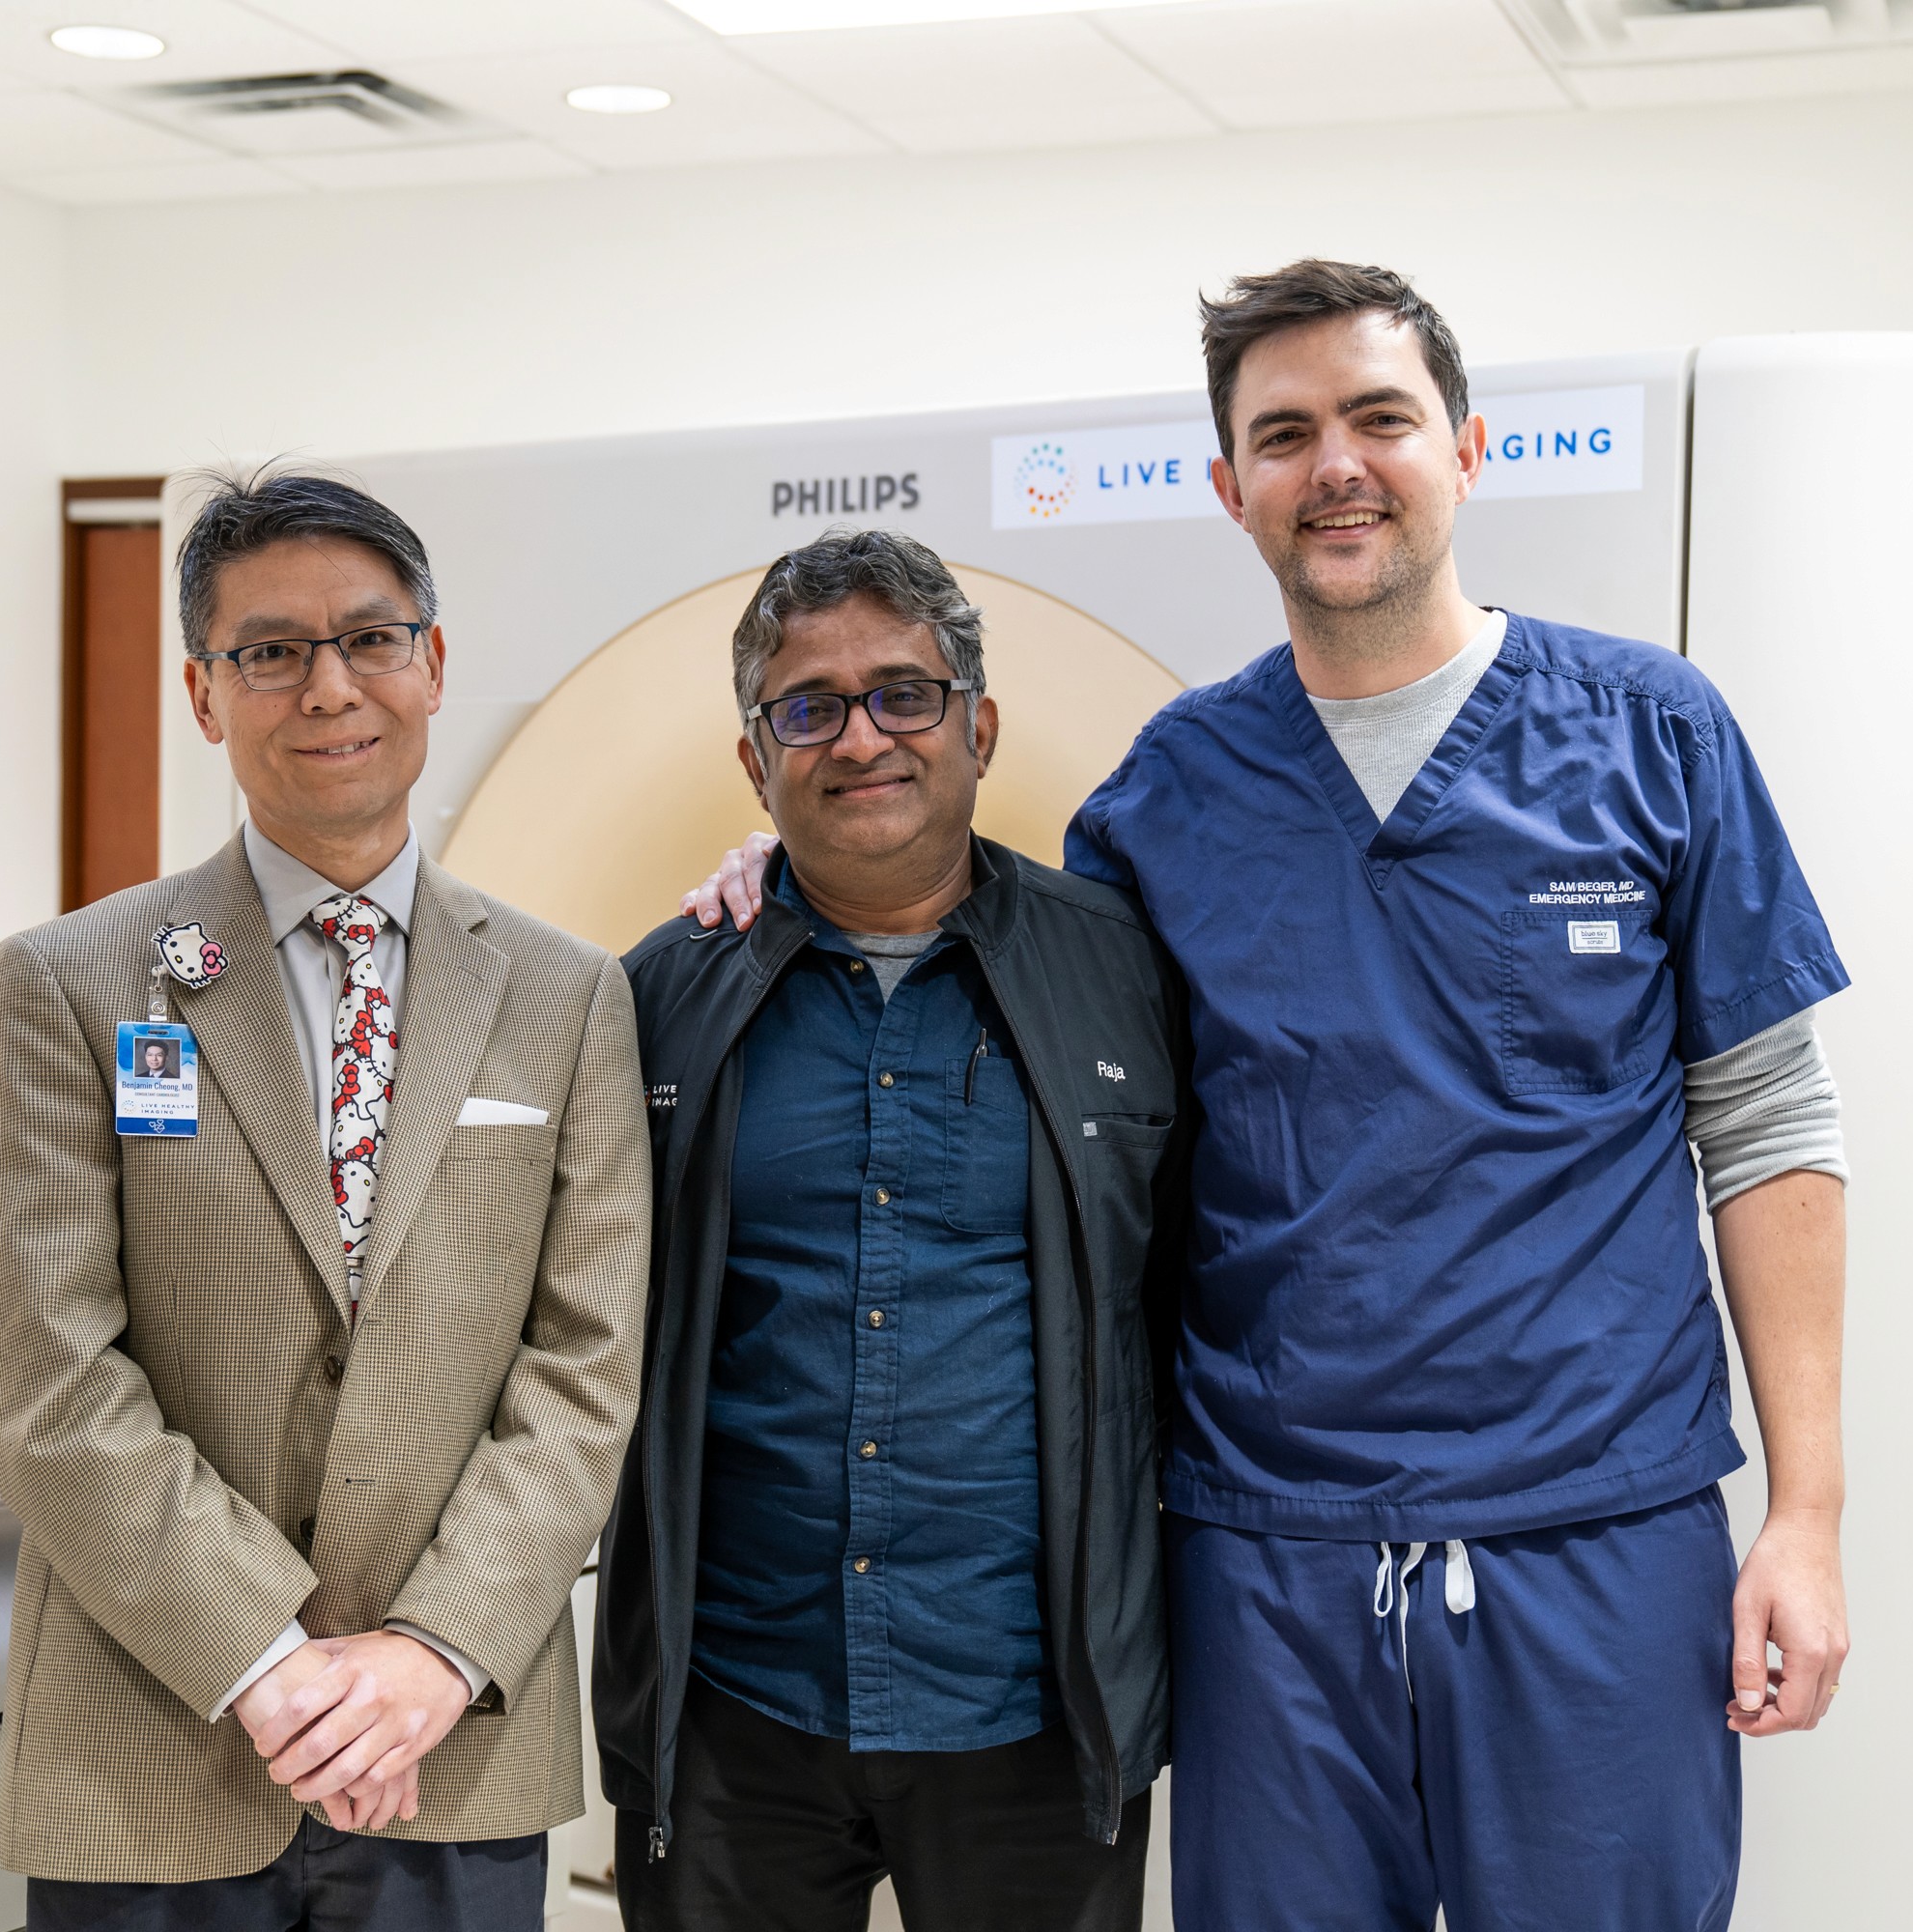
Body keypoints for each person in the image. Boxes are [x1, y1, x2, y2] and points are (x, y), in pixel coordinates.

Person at [685, 261, 1850, 1930]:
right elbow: (991, 961)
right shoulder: (1170, 795)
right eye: (1285, 435)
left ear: (1468, 446)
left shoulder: (1653, 736)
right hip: (1266, 1549)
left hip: (1597, 1523)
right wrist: (789, 861)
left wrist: (1804, 1518)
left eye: (1381, 418)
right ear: (1231, 488)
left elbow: (1768, 1124)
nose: (1338, 466)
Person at [0, 469, 650, 1932]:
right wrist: (264, 1659)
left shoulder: (566, 996)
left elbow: (585, 1376)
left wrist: (429, 1655)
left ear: (433, 664)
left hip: (446, 1741)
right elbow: (41, 1383)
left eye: (370, 639)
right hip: (157, 1739)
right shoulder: (73, 985)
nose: (327, 686)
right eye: (270, 651)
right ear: (206, 695)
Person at [598, 528, 1189, 1932]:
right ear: (757, 759)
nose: (861, 736)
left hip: (1034, 1710)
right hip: (735, 1706)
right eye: (809, 707)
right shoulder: (656, 1001)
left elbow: (1197, 1290)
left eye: (904, 694)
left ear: (978, 725)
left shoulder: (1131, 976)